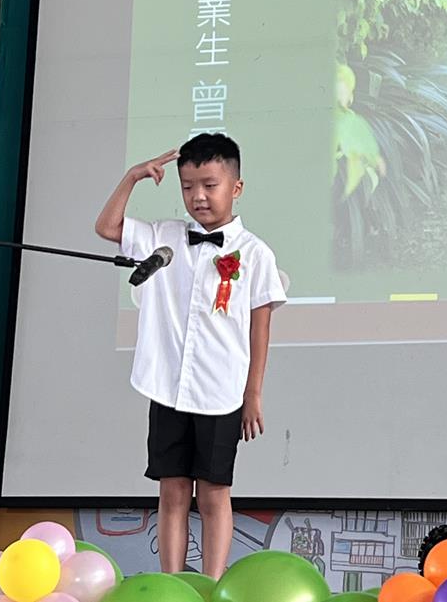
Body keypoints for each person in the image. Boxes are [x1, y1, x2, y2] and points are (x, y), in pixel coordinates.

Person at [95, 133, 286, 578]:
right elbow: (107, 227)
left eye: (209, 185)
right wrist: (132, 177)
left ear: (236, 187)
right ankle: (173, 581)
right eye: (187, 186)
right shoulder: (163, 238)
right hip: (168, 387)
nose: (198, 196)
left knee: (214, 493)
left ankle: (213, 584)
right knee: (173, 491)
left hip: (221, 391)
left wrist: (253, 394)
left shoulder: (255, 254)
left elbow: (260, 328)